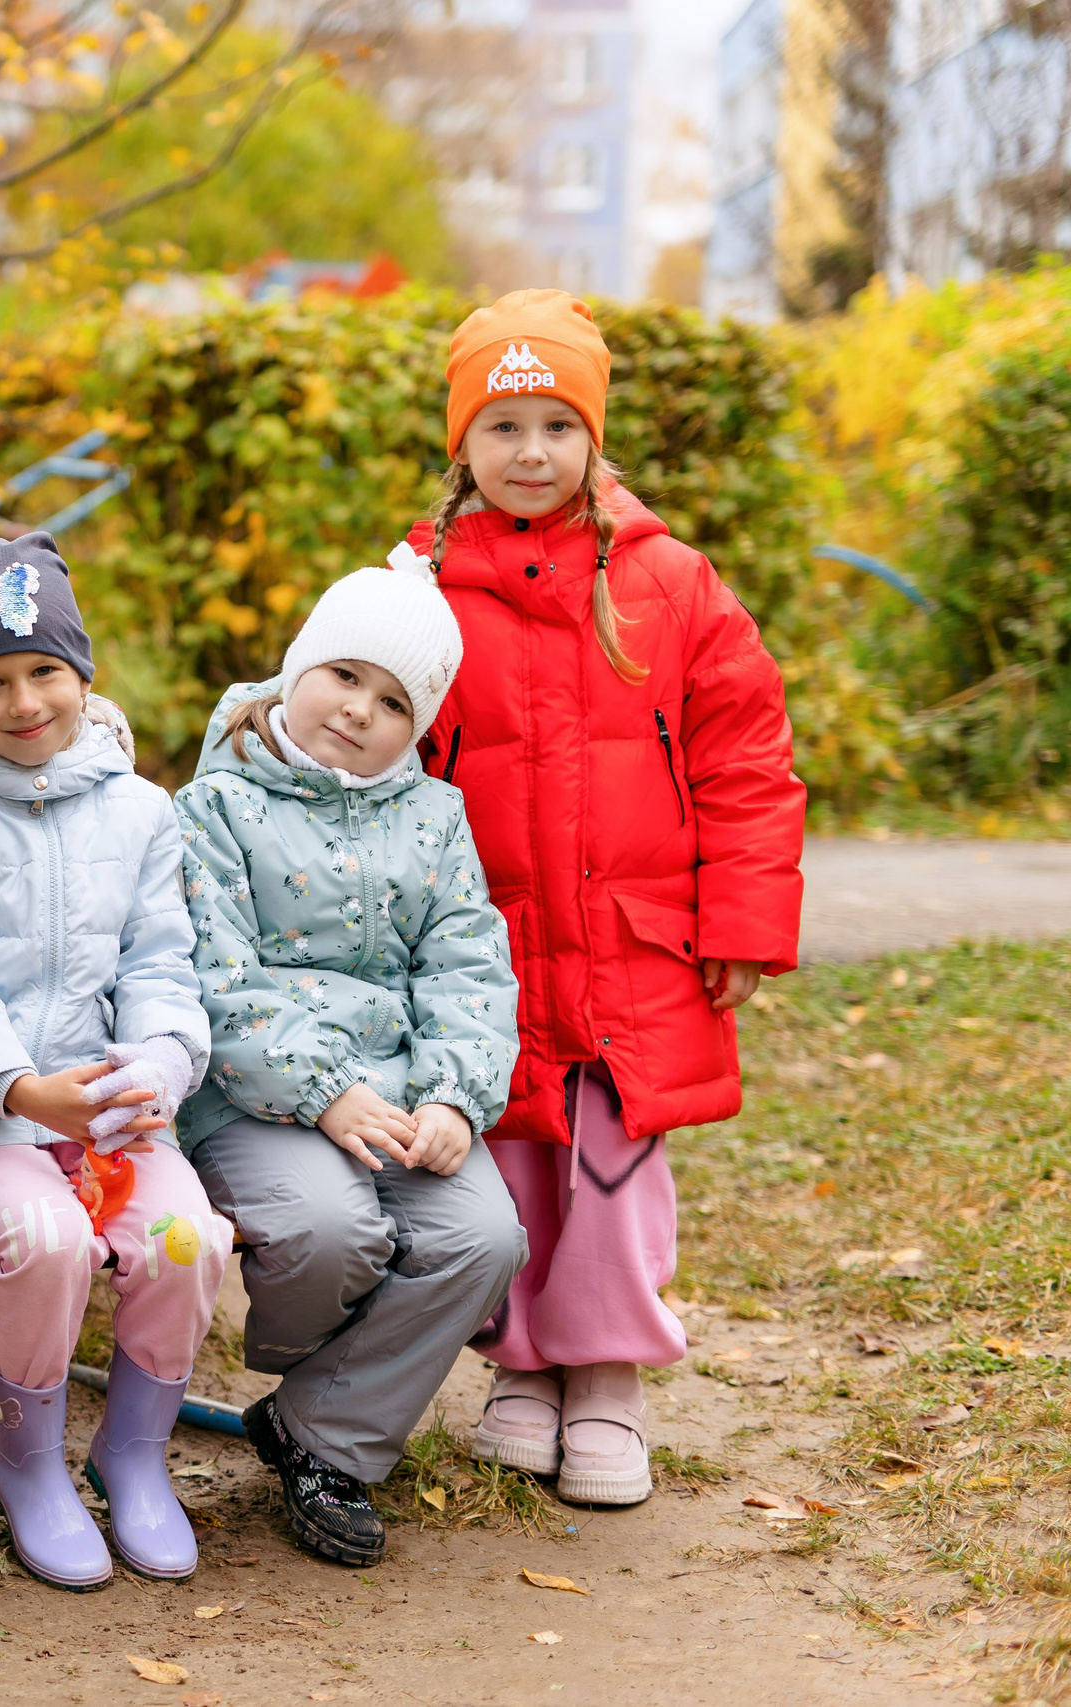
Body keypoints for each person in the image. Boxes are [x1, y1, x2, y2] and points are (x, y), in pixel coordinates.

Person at [410, 289, 804, 1506]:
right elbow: (359, 744)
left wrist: (739, 921)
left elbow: (745, 756)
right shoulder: (418, 588)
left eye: (555, 426)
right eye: (502, 426)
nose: (530, 453)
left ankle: (611, 1380)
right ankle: (519, 1370)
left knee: (610, 1166)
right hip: (485, 944)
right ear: (462, 445)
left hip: (632, 943)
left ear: (594, 438)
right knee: (509, 1158)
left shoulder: (670, 582)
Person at [172, 558, 526, 1569]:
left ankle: (320, 1436)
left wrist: (457, 1091)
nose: (359, 712)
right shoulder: (216, 808)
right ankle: (337, 1385)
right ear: (297, 667)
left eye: (392, 701)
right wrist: (325, 1092)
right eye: (344, 676)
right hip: (257, 1092)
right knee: (330, 1231)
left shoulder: (434, 817)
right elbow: (213, 977)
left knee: (482, 1236)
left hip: (406, 1093)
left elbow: (467, 965)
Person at [0, 533, 225, 1590]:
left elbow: (164, 961)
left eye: (45, 671)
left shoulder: (141, 811)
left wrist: (158, 1070)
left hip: (114, 1108)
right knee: (45, 1239)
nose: (23, 700)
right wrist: (20, 1090)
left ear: (82, 676)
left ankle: (130, 1454)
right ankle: (26, 1461)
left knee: (184, 1236)